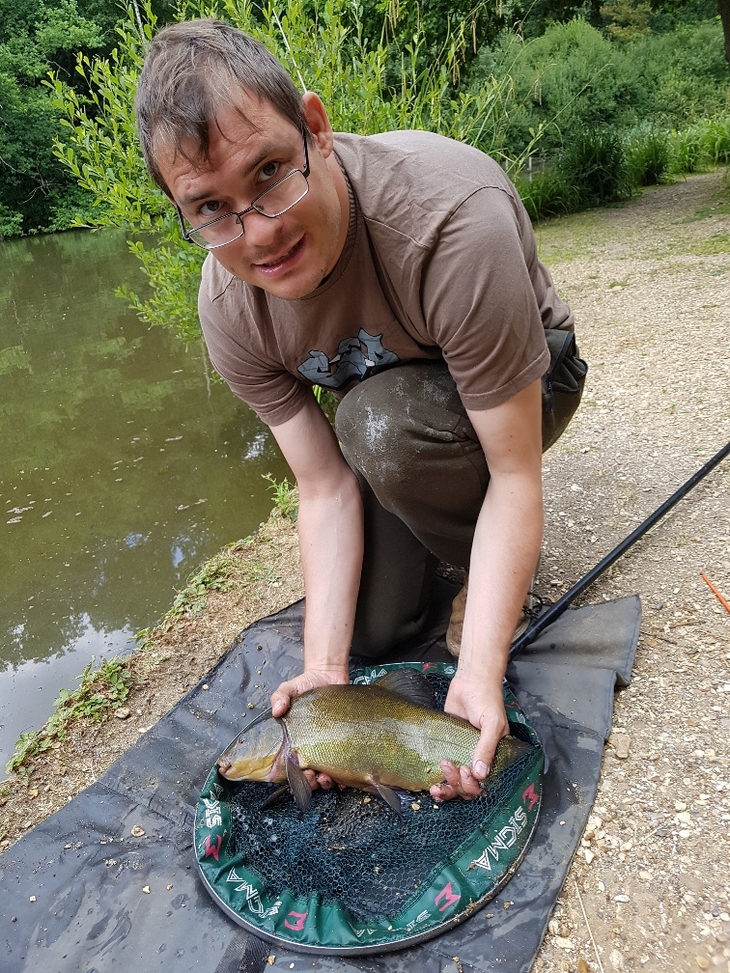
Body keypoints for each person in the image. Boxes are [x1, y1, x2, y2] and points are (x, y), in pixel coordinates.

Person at [135, 18, 586, 801]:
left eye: (271, 171)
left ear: (317, 129)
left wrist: (480, 670)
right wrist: (324, 669)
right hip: (399, 419)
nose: (260, 231)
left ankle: (487, 575)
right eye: (211, 207)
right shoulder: (226, 309)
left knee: (377, 426)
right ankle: (451, 551)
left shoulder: (449, 218)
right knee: (370, 633)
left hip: (531, 376)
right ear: (185, 211)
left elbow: (515, 472)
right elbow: (322, 487)